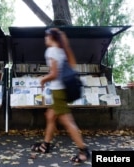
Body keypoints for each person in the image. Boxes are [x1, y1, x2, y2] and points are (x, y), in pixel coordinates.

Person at [30, 28, 90, 163]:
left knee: (68, 122)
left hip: (58, 91)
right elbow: (72, 66)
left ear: (51, 38)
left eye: (46, 36)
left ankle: (83, 151)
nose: (45, 39)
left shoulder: (51, 51)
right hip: (63, 90)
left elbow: (54, 74)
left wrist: (42, 80)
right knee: (50, 116)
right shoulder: (62, 50)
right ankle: (45, 145)